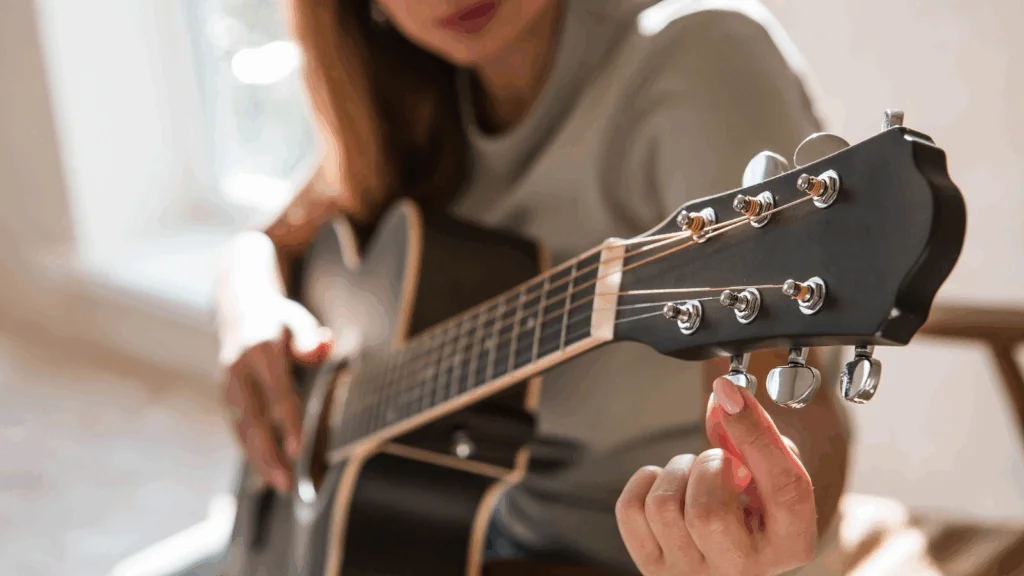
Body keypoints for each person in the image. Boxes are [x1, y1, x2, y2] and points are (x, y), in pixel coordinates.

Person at [214, 0, 852, 574]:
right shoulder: (409, 95)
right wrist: (250, 316)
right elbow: (265, 243)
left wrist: (774, 515)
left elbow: (789, 398)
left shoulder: (697, 59)